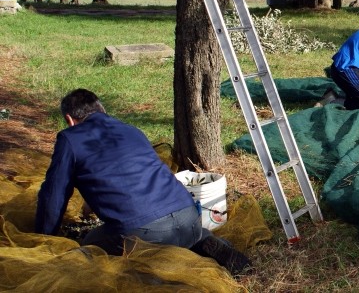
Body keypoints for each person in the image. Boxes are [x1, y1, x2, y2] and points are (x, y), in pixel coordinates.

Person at [35, 88, 250, 274]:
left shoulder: (69, 138)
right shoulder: (131, 130)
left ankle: (152, 267)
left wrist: (44, 238)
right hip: (189, 216)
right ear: (103, 111)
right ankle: (201, 240)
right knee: (179, 234)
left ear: (70, 120)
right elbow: (126, 177)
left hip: (143, 233)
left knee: (90, 245)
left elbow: (53, 195)